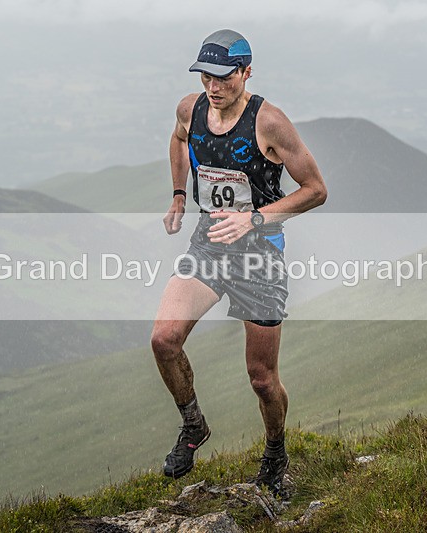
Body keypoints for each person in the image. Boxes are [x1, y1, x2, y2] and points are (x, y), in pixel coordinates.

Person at [151, 29, 327, 497]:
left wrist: (253, 219)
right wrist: (177, 195)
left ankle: (275, 451)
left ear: (246, 73)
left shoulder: (269, 122)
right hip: (209, 243)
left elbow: (315, 189)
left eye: (225, 77)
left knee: (262, 379)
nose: (214, 86)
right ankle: (193, 427)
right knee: (164, 339)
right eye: (206, 76)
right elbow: (178, 138)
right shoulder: (190, 108)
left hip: (260, 254)